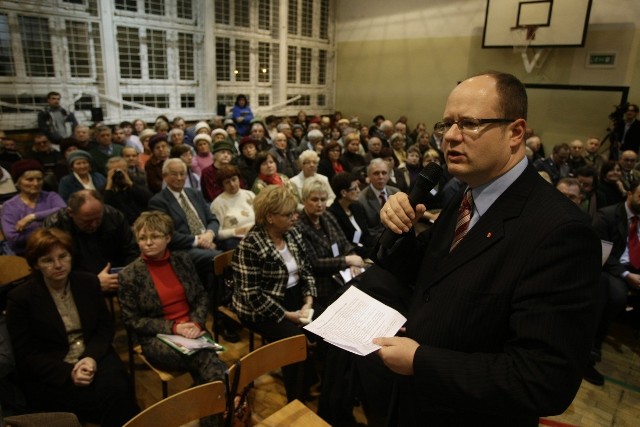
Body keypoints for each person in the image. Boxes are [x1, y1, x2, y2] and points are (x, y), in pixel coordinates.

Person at [370, 72, 600, 425]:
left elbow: (543, 379)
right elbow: (434, 277)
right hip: (416, 406)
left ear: (516, 132)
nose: (449, 135)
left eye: (470, 123)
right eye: (447, 123)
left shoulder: (561, 232)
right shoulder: (468, 195)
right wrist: (399, 229)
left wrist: (421, 361)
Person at [6, 228, 139, 426]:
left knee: (119, 388)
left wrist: (90, 358)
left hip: (93, 352)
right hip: (53, 364)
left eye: (63, 256)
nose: (58, 265)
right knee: (90, 402)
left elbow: (104, 327)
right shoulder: (20, 298)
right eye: (47, 260)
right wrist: (68, 371)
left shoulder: (88, 282)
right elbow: (26, 354)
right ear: (36, 264)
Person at [118, 211, 226, 427]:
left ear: (167, 238)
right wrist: (175, 327)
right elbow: (132, 320)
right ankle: (217, 418)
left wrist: (195, 323)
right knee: (213, 365)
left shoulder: (183, 260)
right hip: (158, 338)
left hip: (194, 331)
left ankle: (205, 419)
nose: (148, 243)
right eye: (142, 238)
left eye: (154, 237)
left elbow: (200, 297)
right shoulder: (129, 275)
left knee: (208, 371)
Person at [232, 185, 319, 402]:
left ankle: (313, 380)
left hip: (294, 297)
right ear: (270, 217)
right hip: (261, 307)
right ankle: (296, 397)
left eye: (294, 212)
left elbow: (307, 268)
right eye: (288, 214)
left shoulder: (292, 233)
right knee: (294, 339)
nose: (294, 217)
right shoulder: (250, 245)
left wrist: (308, 301)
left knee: (324, 325)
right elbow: (252, 295)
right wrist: (288, 315)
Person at [591, 182, 640, 386]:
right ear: (629, 194)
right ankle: (592, 349)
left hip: (634, 269)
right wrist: (627, 274)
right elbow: (600, 254)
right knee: (617, 296)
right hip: (610, 269)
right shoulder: (607, 215)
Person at [43, 189, 139, 293]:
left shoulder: (114, 216)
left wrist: (124, 274)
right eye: (87, 221)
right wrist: (92, 282)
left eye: (98, 219)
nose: (94, 225)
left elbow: (132, 250)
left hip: (115, 275)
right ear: (70, 212)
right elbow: (54, 267)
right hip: (75, 284)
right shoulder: (55, 226)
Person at [148, 158, 221, 288]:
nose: (179, 177)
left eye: (182, 173)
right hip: (184, 248)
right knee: (219, 259)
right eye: (174, 174)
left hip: (208, 239)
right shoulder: (158, 202)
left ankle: (219, 299)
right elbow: (167, 235)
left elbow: (213, 219)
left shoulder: (195, 193)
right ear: (165, 176)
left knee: (236, 249)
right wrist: (199, 240)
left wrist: (209, 234)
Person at [296, 178, 365, 306]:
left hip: (344, 276)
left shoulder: (328, 216)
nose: (319, 204)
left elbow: (345, 243)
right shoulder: (299, 226)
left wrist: (354, 261)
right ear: (304, 200)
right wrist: (347, 260)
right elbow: (314, 263)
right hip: (323, 285)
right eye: (314, 199)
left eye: (323, 200)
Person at [1, 159, 66, 254]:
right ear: (18, 182)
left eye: (39, 179)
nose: (35, 183)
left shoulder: (51, 197)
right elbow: (14, 238)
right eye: (29, 180)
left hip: (56, 249)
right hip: (24, 253)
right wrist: (49, 229)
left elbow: (63, 211)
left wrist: (32, 217)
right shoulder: (10, 206)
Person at [328, 172, 376, 259]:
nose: (359, 190)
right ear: (343, 193)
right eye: (355, 188)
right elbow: (344, 244)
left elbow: (366, 234)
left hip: (367, 250)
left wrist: (375, 248)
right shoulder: (332, 214)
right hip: (352, 256)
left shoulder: (356, 206)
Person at [210, 164, 256, 251]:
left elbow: (261, 217)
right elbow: (216, 233)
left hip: (255, 233)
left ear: (239, 179)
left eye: (234, 179)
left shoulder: (249, 194)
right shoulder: (218, 204)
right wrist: (237, 231)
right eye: (227, 182)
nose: (232, 184)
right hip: (235, 240)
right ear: (222, 185)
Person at [102, 156, 152, 226]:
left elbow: (148, 199)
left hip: (142, 221)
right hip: (121, 224)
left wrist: (130, 183)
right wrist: (109, 185)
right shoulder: (105, 189)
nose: (119, 173)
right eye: (115, 171)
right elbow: (105, 208)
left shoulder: (137, 182)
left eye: (122, 170)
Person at [357, 158, 400, 237]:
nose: (381, 177)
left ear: (389, 175)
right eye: (376, 173)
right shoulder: (360, 200)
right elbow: (366, 231)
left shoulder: (396, 192)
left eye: (384, 173)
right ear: (369, 176)